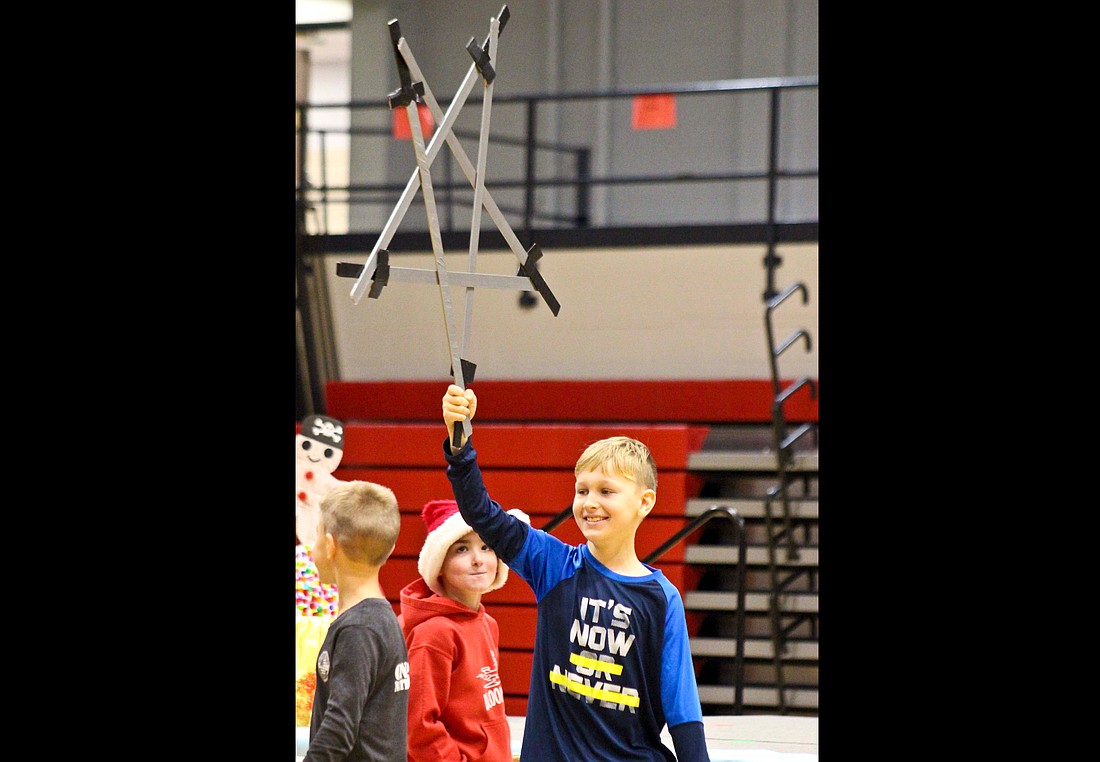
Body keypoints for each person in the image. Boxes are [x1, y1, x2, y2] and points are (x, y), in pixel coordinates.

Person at [440, 384, 711, 762]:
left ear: (644, 502)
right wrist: (459, 446)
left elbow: (682, 709)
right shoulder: (552, 565)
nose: (590, 503)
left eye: (606, 491)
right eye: (581, 490)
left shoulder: (662, 598)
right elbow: (481, 513)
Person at [398, 499, 530, 762]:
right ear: (439, 565)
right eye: (461, 549)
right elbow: (418, 726)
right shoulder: (434, 634)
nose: (478, 560)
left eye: (486, 547)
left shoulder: (487, 624)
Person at [305, 479, 411, 762]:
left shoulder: (359, 630)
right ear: (389, 549)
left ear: (329, 546)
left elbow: (339, 730)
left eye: (316, 536)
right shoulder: (381, 619)